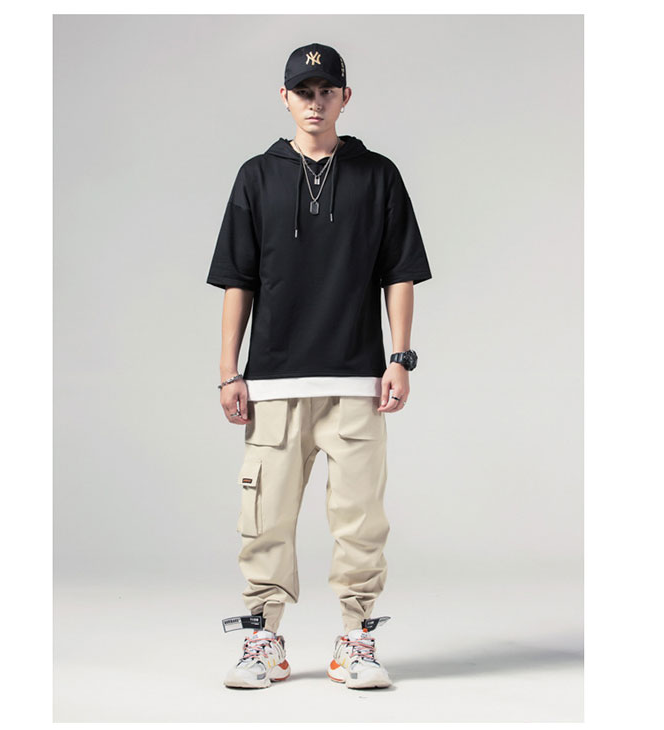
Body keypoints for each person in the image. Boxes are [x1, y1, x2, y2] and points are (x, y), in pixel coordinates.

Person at [206, 42, 432, 690]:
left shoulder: (377, 175)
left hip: (357, 378)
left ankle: (356, 640)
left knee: (361, 521)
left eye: (326, 91)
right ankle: (263, 642)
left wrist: (400, 358)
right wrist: (229, 371)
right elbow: (238, 280)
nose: (315, 102)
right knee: (265, 521)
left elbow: (399, 273)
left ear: (344, 97)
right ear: (285, 97)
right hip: (275, 380)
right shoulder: (257, 176)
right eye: (303, 92)